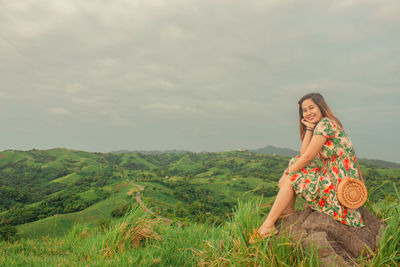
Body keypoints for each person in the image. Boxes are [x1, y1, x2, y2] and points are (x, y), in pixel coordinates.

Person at [250, 93, 364, 244]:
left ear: (321, 107)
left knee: (292, 177)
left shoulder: (325, 124)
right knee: (294, 162)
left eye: (311, 108)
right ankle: (286, 212)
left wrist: (287, 174)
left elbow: (308, 157)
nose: (308, 113)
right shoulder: (326, 124)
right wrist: (309, 129)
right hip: (336, 178)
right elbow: (303, 154)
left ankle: (268, 225)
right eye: (304, 110)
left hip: (339, 186)